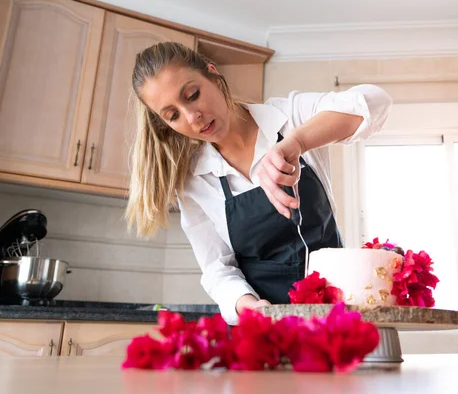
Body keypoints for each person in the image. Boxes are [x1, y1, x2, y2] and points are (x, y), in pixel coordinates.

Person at [125, 41, 392, 325]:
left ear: (213, 74)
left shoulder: (289, 118)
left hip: (334, 318)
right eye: (173, 115)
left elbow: (375, 101)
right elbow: (218, 269)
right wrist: (249, 306)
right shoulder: (194, 181)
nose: (192, 117)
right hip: (263, 330)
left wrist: (297, 142)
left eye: (192, 95)